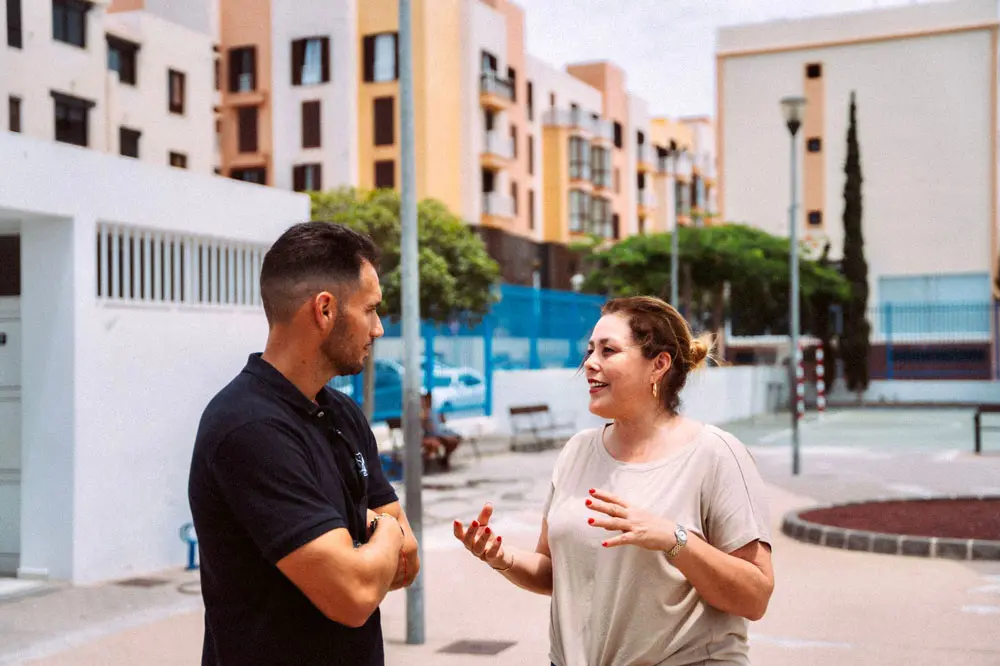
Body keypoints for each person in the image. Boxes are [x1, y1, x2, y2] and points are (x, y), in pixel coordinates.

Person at [453, 296, 774, 666]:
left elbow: (755, 597)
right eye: (590, 350)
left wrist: (675, 539)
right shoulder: (577, 452)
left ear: (659, 365)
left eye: (608, 351)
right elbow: (556, 573)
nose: (590, 363)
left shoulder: (715, 454)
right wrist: (503, 558)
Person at [188, 222, 419, 666]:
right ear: (325, 310)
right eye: (370, 310)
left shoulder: (343, 414)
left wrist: (372, 551)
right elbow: (354, 595)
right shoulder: (247, 428)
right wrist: (385, 530)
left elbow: (406, 564)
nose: (378, 329)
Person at [420, 390, 461, 469]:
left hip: (438, 434)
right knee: (445, 441)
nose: (429, 401)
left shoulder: (434, 411)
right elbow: (429, 429)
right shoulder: (423, 413)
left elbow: (442, 422)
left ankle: (444, 458)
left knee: (454, 440)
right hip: (431, 436)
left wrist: (443, 414)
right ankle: (441, 460)